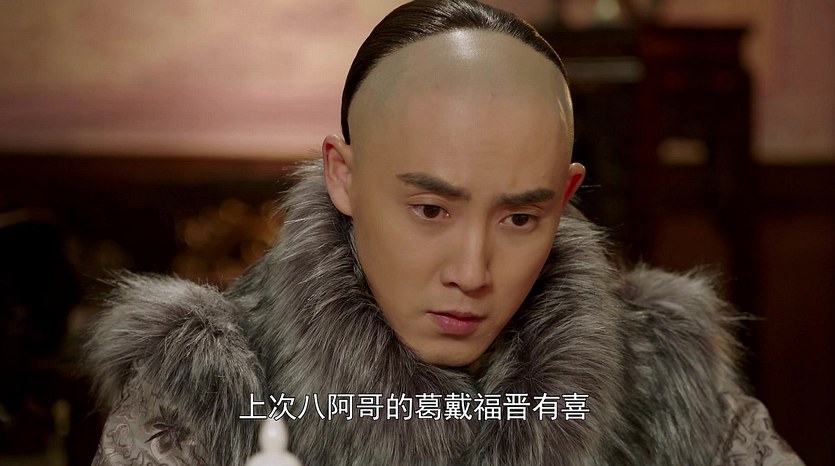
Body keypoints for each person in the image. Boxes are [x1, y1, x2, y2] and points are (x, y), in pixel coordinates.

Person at [84, 1, 804, 465]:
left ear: (565, 199)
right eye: (430, 210)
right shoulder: (205, 383)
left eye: (520, 218)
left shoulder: (664, 374)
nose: (472, 271)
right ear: (342, 176)